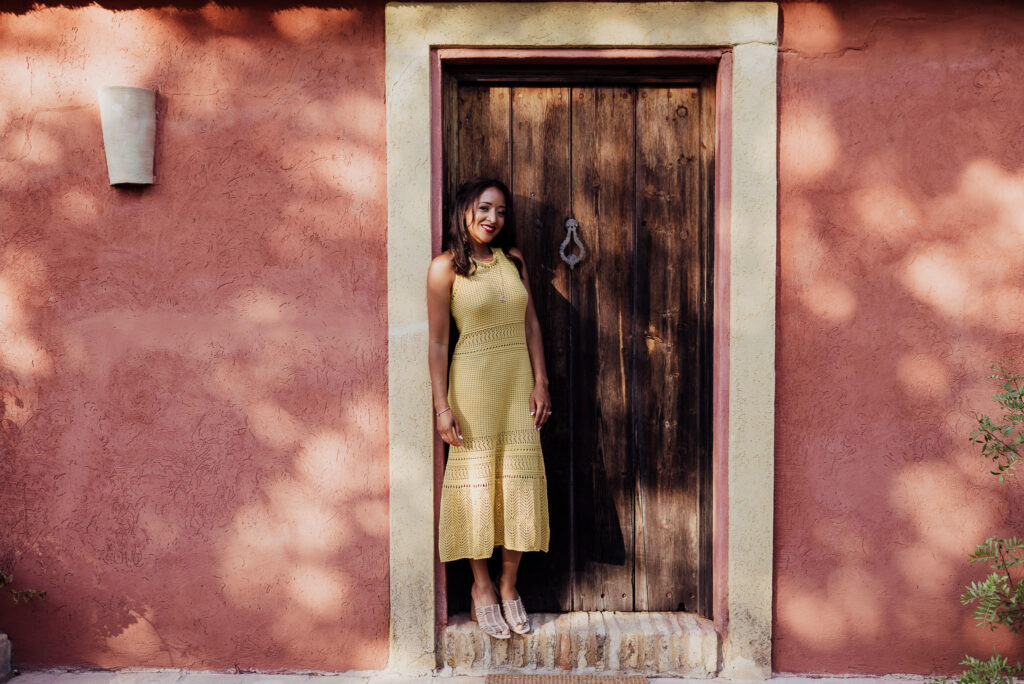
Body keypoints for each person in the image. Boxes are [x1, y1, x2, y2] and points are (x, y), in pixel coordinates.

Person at [426, 178, 552, 639]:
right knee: (477, 484)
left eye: (500, 211)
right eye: (484, 208)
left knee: (518, 480)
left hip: (518, 385)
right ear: (465, 210)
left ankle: (508, 582)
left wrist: (541, 381)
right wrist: (442, 406)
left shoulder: (512, 259)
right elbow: (438, 343)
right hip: (472, 387)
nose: (492, 218)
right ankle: (480, 585)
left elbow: (531, 323)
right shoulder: (444, 268)